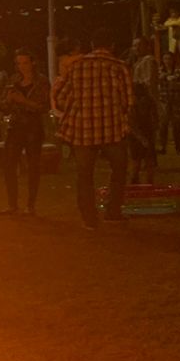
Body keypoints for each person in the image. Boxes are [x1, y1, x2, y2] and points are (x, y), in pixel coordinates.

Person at [53, 29, 133, 229]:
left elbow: (60, 98)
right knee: (119, 169)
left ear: (91, 44)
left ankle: (89, 217)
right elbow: (128, 101)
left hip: (83, 130)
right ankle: (113, 211)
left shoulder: (76, 66)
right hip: (113, 130)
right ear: (112, 46)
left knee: (85, 174)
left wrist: (80, 104)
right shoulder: (120, 67)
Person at [0, 48, 48, 216]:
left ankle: (30, 205)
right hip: (16, 126)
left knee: (33, 166)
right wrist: (8, 100)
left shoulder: (41, 81)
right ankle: (12, 204)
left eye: (25, 62)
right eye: (19, 63)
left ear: (32, 63)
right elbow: (5, 105)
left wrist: (23, 101)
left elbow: (43, 106)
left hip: (33, 126)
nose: (22, 66)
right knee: (9, 164)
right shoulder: (14, 80)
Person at [159, 60, 180, 155]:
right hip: (164, 100)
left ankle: (178, 147)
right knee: (163, 124)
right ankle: (162, 146)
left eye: (169, 59)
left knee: (177, 124)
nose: (167, 61)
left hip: (176, 101)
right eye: (165, 59)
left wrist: (176, 85)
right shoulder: (160, 73)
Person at [128, 82, 159, 185]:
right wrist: (141, 138)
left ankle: (149, 183)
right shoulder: (133, 106)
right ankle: (135, 181)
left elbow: (155, 120)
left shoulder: (150, 103)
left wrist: (151, 135)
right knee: (136, 161)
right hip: (137, 136)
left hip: (148, 133)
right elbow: (132, 125)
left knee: (149, 161)